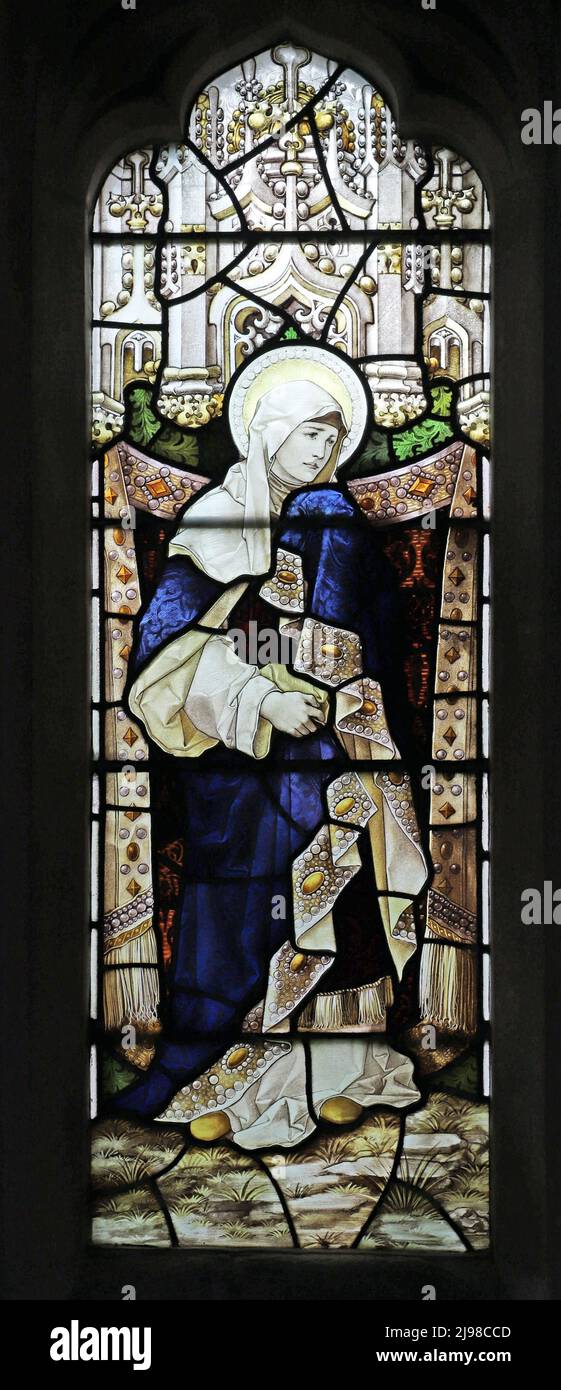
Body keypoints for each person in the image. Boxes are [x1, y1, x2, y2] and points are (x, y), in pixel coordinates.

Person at [109, 345, 428, 1147]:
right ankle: (224, 1078)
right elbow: (167, 650)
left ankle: (336, 1071)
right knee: (238, 905)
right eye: (308, 433)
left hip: (332, 742)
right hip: (237, 760)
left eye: (331, 435)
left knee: (338, 898)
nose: (321, 450)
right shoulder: (216, 520)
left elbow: (376, 639)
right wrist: (261, 695)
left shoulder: (333, 528)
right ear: (266, 433)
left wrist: (338, 670)